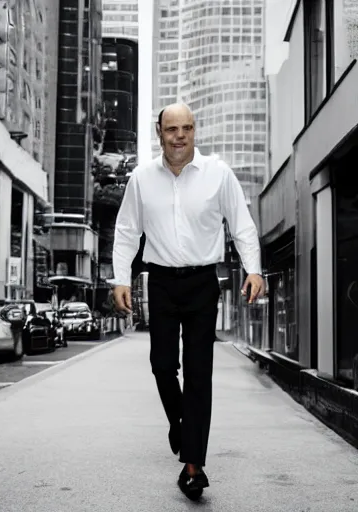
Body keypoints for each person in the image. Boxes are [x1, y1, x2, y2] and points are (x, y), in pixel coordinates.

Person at [110, 102, 265, 500]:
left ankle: (193, 467)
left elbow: (242, 225)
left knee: (198, 373)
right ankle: (182, 428)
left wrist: (253, 269)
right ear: (159, 133)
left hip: (202, 283)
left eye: (187, 128)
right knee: (162, 366)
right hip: (159, 282)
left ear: (195, 131)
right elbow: (127, 231)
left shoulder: (219, 175)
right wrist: (120, 279)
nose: (180, 136)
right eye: (172, 129)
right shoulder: (142, 179)